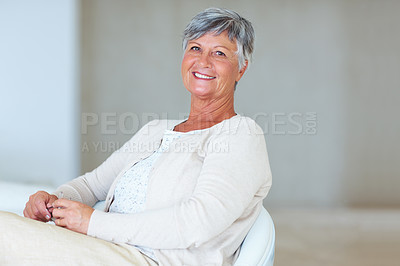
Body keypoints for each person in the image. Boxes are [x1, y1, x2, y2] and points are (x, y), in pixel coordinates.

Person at [0, 7, 272, 265]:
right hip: (103, 247)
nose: (203, 61)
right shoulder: (156, 130)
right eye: (195, 48)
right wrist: (53, 200)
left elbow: (197, 222)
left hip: (153, 260)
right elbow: (93, 185)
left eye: (220, 53)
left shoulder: (240, 134)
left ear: (241, 68)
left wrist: (92, 222)